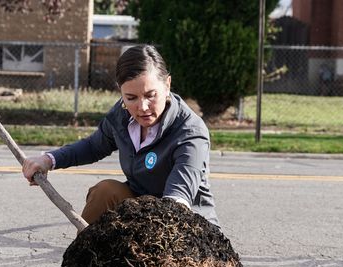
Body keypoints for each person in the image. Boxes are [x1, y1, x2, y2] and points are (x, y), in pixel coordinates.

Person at [21, 44, 218, 227]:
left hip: (185, 222)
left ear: (167, 85)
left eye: (151, 95)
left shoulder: (190, 132)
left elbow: (178, 196)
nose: (142, 107)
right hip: (141, 208)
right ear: (121, 92)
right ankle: (84, 255)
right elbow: (93, 146)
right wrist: (48, 160)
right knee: (105, 192)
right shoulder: (121, 116)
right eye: (131, 98)